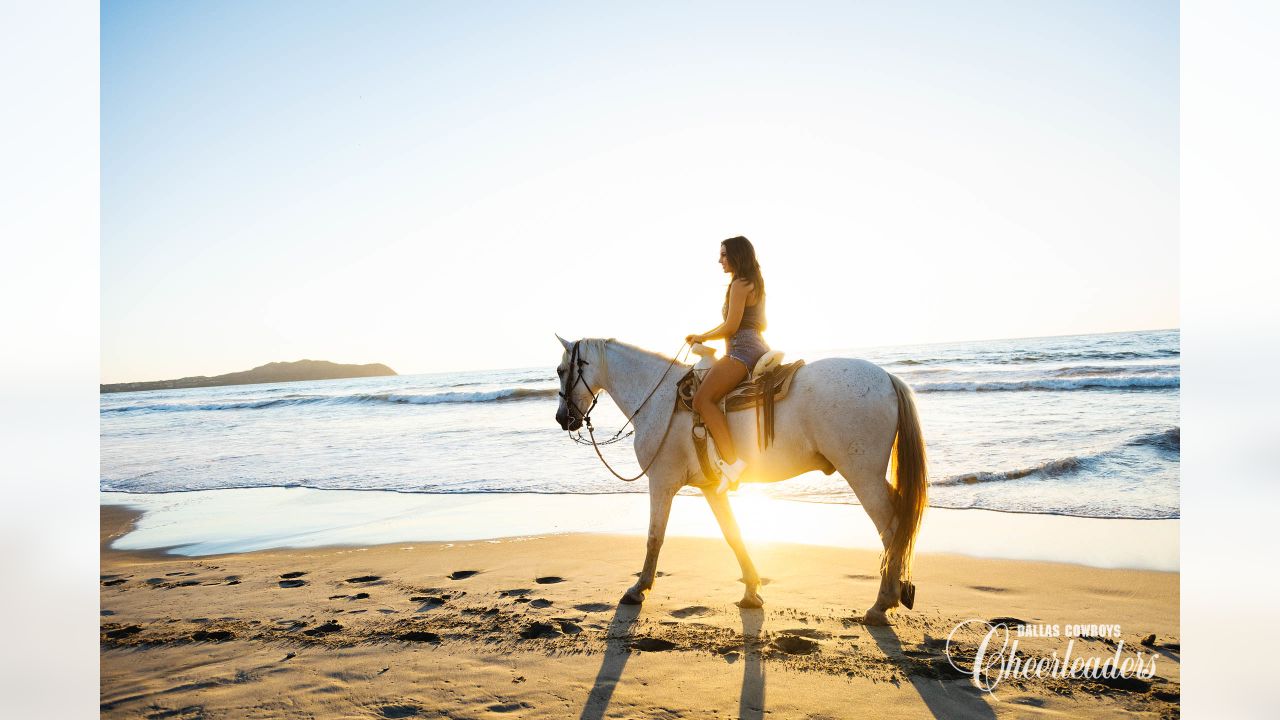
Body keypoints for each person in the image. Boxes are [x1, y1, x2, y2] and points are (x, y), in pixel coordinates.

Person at [685, 236, 769, 493]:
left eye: (723, 255)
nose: (719, 260)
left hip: (743, 352)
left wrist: (702, 336)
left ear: (736, 256)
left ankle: (733, 463)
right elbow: (756, 324)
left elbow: (731, 327)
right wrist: (707, 336)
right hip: (755, 345)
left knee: (702, 400)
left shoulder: (739, 285)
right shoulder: (753, 283)